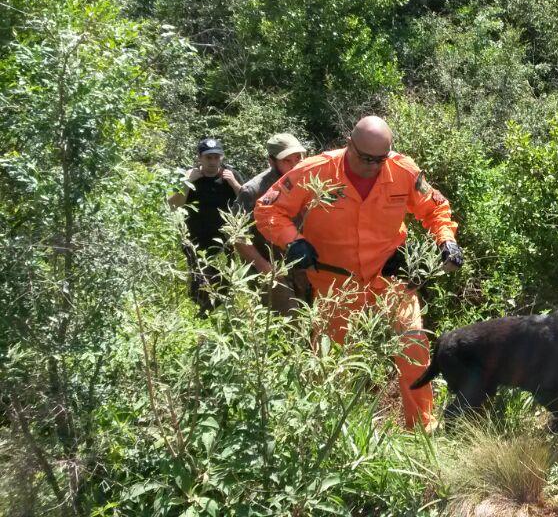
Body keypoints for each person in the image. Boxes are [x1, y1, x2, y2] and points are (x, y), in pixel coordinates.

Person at [254, 116, 463, 429]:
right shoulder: (315, 171)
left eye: (380, 159)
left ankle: (421, 428)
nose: (373, 166)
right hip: (335, 281)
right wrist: (292, 241)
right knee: (331, 361)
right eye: (365, 158)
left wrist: (447, 241)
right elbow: (268, 209)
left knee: (414, 345)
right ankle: (328, 431)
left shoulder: (402, 170)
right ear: (349, 144)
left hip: (389, 276)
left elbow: (435, 209)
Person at [168, 137, 244, 316]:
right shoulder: (188, 177)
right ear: (200, 158)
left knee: (225, 280)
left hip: (225, 239)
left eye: (217, 157)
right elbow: (173, 205)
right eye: (208, 157)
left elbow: (248, 202)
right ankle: (199, 318)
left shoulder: (230, 175)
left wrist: (234, 184)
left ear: (222, 157)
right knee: (198, 280)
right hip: (195, 239)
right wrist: (187, 183)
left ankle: (224, 315)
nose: (213, 161)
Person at [234, 133, 307, 314]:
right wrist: (263, 266)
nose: (294, 165)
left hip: (304, 267)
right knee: (289, 325)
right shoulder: (254, 190)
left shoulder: (309, 180)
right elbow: (237, 234)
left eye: (298, 158)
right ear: (271, 161)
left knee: (312, 322)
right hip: (272, 269)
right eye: (287, 161)